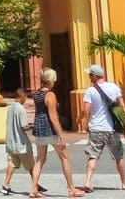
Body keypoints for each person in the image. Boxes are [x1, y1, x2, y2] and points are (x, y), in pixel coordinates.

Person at [81, 64, 125, 192]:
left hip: (96, 128)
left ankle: (88, 182)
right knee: (118, 156)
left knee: (93, 155)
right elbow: (122, 106)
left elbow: (86, 110)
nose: (89, 77)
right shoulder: (114, 87)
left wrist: (86, 124)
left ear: (94, 76)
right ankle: (124, 183)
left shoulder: (90, 91)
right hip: (112, 128)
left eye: (90, 75)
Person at [32, 69, 84, 197]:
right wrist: (61, 135)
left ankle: (33, 188)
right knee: (64, 158)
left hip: (39, 128)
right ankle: (71, 188)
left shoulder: (37, 94)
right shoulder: (50, 95)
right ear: (52, 80)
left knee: (40, 159)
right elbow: (53, 117)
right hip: (50, 129)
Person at [0, 88, 43, 198]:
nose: (26, 99)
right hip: (21, 143)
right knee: (31, 165)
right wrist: (33, 126)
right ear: (22, 96)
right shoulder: (21, 110)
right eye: (25, 97)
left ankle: (6, 184)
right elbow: (24, 126)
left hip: (11, 142)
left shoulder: (10, 108)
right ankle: (35, 185)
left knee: (11, 163)